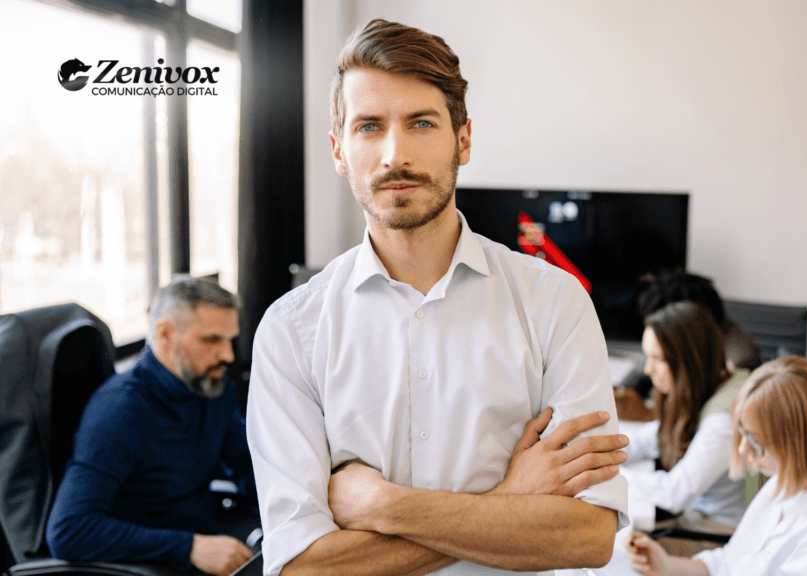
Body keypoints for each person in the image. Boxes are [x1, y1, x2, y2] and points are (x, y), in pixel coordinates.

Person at [245, 18, 628, 576]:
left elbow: (587, 537)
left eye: (421, 123)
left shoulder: (555, 302)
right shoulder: (290, 331)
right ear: (338, 150)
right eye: (369, 126)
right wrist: (509, 500)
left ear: (463, 140)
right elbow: (303, 568)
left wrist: (384, 505)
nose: (394, 154)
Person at [46, 276, 257, 576]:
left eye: (229, 339)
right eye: (212, 340)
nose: (228, 355)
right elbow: (68, 530)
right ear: (165, 333)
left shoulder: (210, 384)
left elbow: (245, 465)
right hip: (149, 563)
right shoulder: (120, 410)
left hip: (207, 537)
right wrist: (189, 547)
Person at [626, 356, 807, 576]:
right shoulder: (789, 480)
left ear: (796, 445)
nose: (742, 451)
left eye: (754, 441)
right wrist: (666, 566)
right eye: (741, 434)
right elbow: (732, 563)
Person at [620, 301, 749, 534]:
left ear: (690, 361)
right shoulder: (712, 383)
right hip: (694, 519)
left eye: (658, 359)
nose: (648, 370)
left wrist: (607, 475)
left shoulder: (723, 422)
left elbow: (674, 494)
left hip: (716, 531)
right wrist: (593, 454)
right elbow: (648, 439)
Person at [615, 269, 759, 422]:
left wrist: (649, 414)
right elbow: (641, 371)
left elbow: (698, 416)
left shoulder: (737, 362)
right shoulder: (694, 336)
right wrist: (624, 392)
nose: (648, 368)